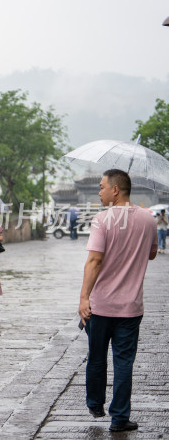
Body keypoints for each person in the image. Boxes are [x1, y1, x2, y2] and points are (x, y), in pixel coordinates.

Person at [78, 169, 157, 432]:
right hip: (131, 307)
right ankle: (120, 418)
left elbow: (94, 260)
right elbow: (152, 254)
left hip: (100, 306)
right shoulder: (149, 220)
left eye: (101, 187)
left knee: (97, 357)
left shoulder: (102, 219)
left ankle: (95, 404)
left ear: (115, 190)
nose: (99, 192)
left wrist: (83, 298)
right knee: (124, 362)